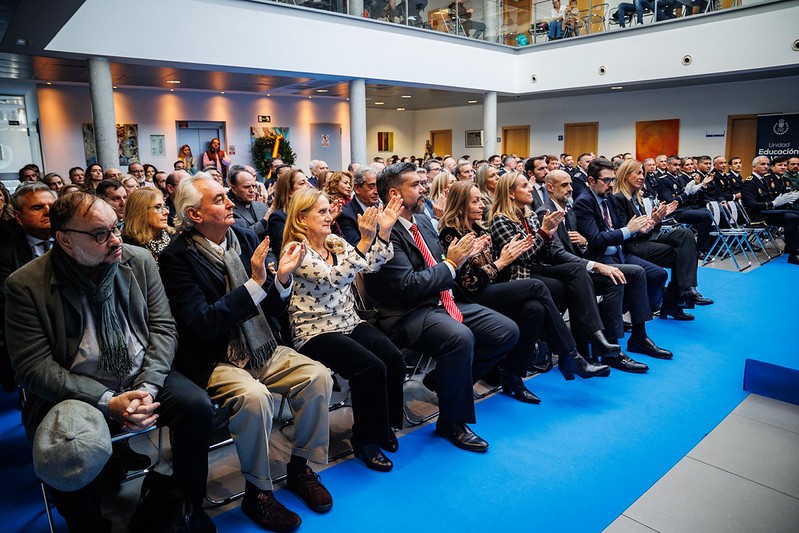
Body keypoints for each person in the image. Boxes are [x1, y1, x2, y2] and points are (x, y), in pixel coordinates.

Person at [5, 192, 215, 532]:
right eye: (101, 234)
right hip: (75, 391)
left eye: (115, 227)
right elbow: (33, 368)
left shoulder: (138, 260)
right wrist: (107, 402)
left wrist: (146, 388)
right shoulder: (26, 285)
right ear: (65, 240)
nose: (116, 239)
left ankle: (180, 505)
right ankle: (89, 526)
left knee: (197, 407)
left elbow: (163, 328)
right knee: (71, 445)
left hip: (140, 375)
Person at [158, 176, 334, 531]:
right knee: (255, 398)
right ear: (194, 214)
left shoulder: (246, 239)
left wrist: (281, 280)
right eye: (219, 199)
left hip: (259, 344)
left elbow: (268, 305)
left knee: (318, 376)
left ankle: (301, 469)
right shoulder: (176, 258)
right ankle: (259, 492)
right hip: (214, 355)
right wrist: (255, 284)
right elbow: (201, 323)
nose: (229, 204)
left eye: (226, 196)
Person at [364, 162, 521, 453]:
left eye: (423, 182)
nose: (424, 188)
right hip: (407, 314)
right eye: (416, 184)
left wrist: (462, 260)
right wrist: (452, 263)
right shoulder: (381, 231)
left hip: (441, 300)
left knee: (506, 331)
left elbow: (438, 266)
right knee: (459, 337)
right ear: (395, 193)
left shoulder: (422, 220)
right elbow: (408, 286)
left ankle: (442, 380)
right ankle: (452, 421)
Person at [439, 182, 607, 400]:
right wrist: (501, 262)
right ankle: (570, 354)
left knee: (534, 309)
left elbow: (496, 273)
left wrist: (504, 262)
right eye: (475, 201)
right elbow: (468, 283)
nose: (482, 205)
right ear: (460, 205)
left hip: (488, 288)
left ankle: (513, 377)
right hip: (467, 297)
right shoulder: (450, 234)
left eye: (481, 199)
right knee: (537, 286)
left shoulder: (480, 229)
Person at [285, 188, 406, 471]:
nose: (330, 216)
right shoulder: (296, 250)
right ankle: (364, 440)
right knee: (370, 368)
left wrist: (383, 234)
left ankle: (384, 424)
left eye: (329, 210)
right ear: (302, 219)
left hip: (348, 322)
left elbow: (370, 267)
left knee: (394, 360)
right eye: (322, 212)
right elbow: (334, 280)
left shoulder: (335, 243)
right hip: (315, 332)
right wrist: (364, 240)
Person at [489, 172, 633, 369]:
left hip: (538, 268)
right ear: (511, 193)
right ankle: (582, 346)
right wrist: (543, 233)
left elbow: (544, 253)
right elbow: (522, 257)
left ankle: (591, 339)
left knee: (578, 273)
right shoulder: (500, 220)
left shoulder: (529, 216)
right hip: (520, 275)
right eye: (524, 186)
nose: (531, 188)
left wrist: (549, 235)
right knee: (575, 283)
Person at [612, 159, 713, 316]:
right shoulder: (618, 198)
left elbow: (648, 228)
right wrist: (649, 224)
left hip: (646, 238)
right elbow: (626, 233)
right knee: (682, 256)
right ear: (625, 175)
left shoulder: (636, 198)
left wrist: (657, 219)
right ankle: (677, 299)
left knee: (685, 234)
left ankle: (686, 290)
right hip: (633, 246)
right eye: (637, 173)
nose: (641, 177)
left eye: (642, 173)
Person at [0, 182, 58, 391]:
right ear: (18, 216)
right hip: (30, 329)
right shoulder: (5, 251)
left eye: (52, 205)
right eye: (37, 207)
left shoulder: (74, 238)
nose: (48, 212)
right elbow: (7, 301)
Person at [742, 156, 799, 265]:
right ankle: (792, 253)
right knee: (792, 218)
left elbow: (770, 198)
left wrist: (784, 199)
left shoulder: (764, 180)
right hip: (758, 216)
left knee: (796, 214)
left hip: (768, 212)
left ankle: (795, 248)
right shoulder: (750, 182)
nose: (766, 167)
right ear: (754, 167)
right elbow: (752, 205)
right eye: (763, 164)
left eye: (767, 164)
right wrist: (773, 203)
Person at [122, 188, 175, 263]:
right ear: (140, 212)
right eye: (158, 207)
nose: (166, 212)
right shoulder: (128, 248)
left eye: (164, 206)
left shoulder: (175, 239)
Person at [268, 169, 312, 257]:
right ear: (290, 192)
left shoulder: (313, 212)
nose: (310, 185)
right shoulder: (278, 218)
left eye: (308, 181)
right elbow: (283, 252)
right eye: (302, 183)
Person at [339, 166, 380, 246]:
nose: (376, 191)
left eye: (378, 186)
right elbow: (356, 248)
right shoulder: (345, 214)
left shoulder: (382, 208)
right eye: (371, 186)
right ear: (357, 188)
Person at [227, 166, 270, 240]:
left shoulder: (263, 206)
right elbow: (244, 235)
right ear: (234, 189)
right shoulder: (229, 210)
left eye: (254, 186)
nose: (252, 190)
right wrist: (265, 221)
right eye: (247, 187)